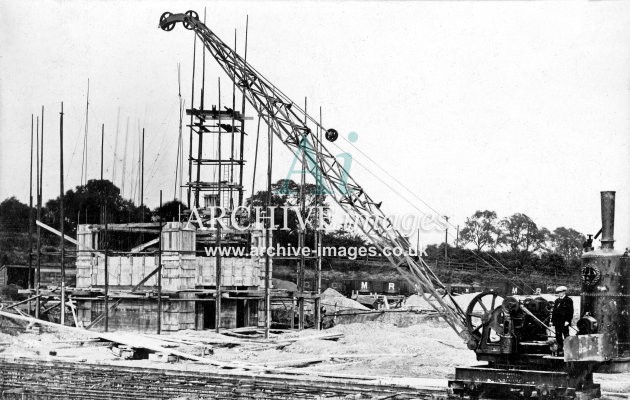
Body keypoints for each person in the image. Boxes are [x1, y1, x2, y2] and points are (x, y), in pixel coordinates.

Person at [551, 285, 573, 356]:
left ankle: (568, 350)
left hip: (564, 322)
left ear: (564, 292)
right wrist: (552, 321)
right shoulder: (557, 301)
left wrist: (568, 321)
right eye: (558, 292)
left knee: (566, 335)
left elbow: (570, 311)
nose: (559, 294)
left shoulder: (568, 300)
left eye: (560, 292)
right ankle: (560, 349)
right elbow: (554, 312)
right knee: (558, 336)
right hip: (557, 322)